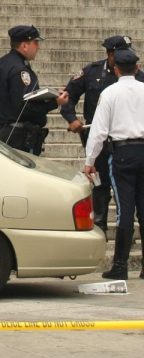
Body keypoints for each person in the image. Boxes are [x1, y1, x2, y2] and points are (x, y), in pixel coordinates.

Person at [62, 35, 144, 233]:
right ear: (110, 54)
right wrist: (72, 118)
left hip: (124, 142)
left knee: (125, 189)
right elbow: (68, 96)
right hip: (97, 138)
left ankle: (125, 227)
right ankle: (99, 225)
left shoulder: (138, 77)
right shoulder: (92, 72)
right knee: (100, 184)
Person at [84, 48, 144, 280]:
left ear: (116, 68)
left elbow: (98, 131)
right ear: (136, 68)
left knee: (125, 211)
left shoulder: (110, 93)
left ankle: (120, 265)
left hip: (123, 153)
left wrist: (90, 161)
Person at [0, 25, 69, 155]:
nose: (38, 47)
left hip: (5, 132)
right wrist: (55, 102)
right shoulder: (21, 70)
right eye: (35, 43)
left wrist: (4, 118)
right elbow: (25, 108)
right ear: (24, 46)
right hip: (21, 137)